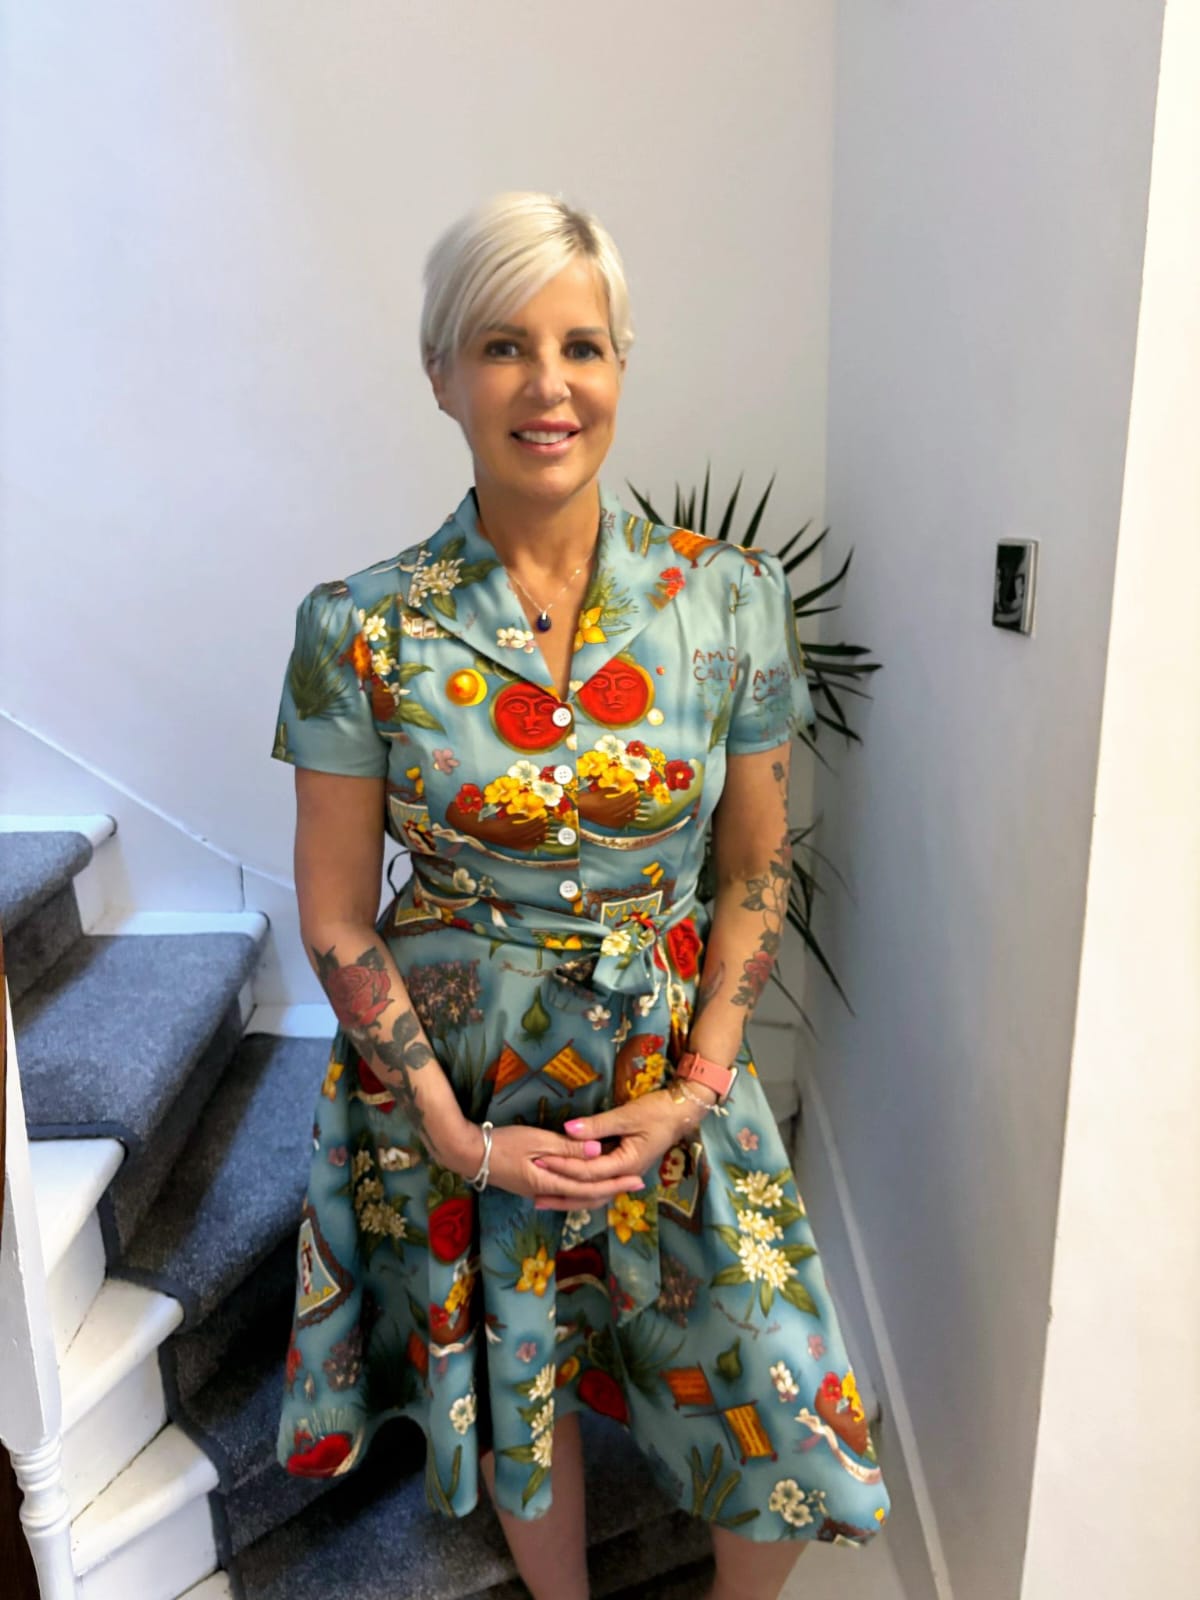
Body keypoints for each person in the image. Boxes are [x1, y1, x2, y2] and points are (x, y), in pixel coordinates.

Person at [270, 190, 891, 1600]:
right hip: (462, 1077)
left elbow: (753, 865)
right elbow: (338, 915)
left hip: (671, 1061)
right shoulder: (358, 628)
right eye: (503, 345)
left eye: (582, 346)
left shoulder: (729, 599)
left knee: (780, 1389)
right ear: (442, 374)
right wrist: (453, 1135)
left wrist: (702, 1082)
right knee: (519, 1386)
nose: (548, 385)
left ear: (619, 367)